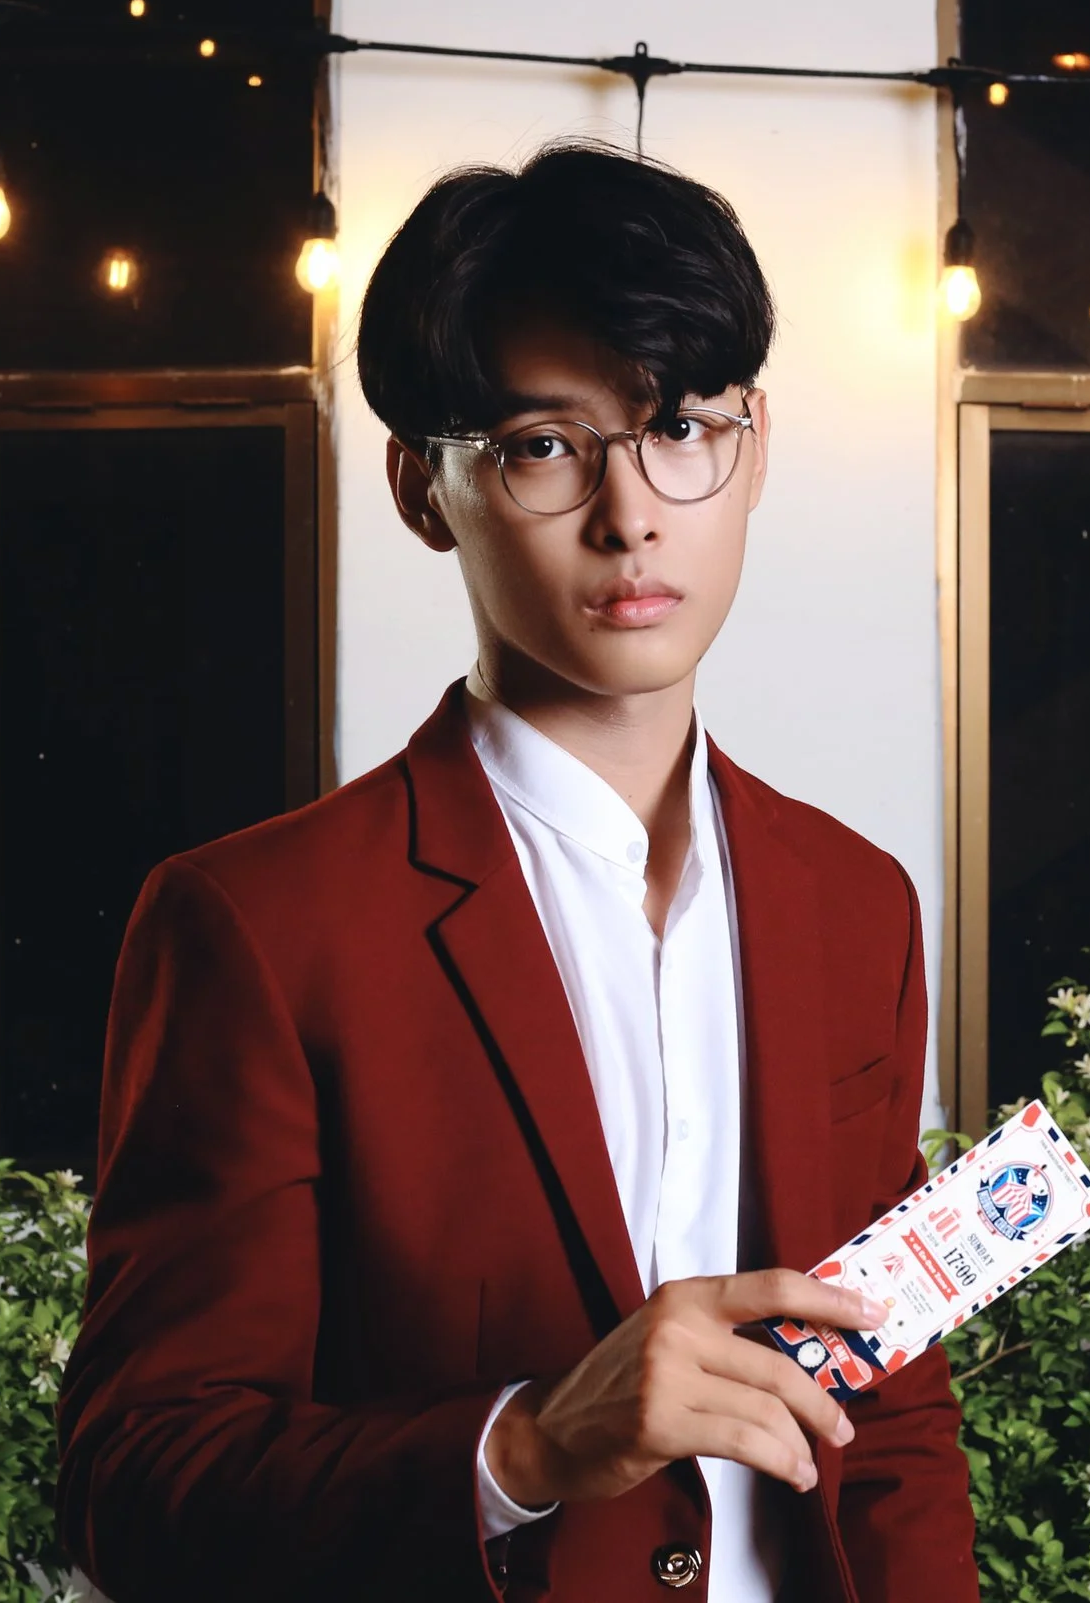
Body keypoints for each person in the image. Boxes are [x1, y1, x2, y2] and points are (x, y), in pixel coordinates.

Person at [56, 140, 977, 1603]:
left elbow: (896, 1407)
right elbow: (136, 1480)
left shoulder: (855, 902)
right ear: (426, 489)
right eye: (547, 446)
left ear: (754, 452)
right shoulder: (261, 924)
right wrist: (528, 1447)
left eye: (680, 427)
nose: (632, 515)